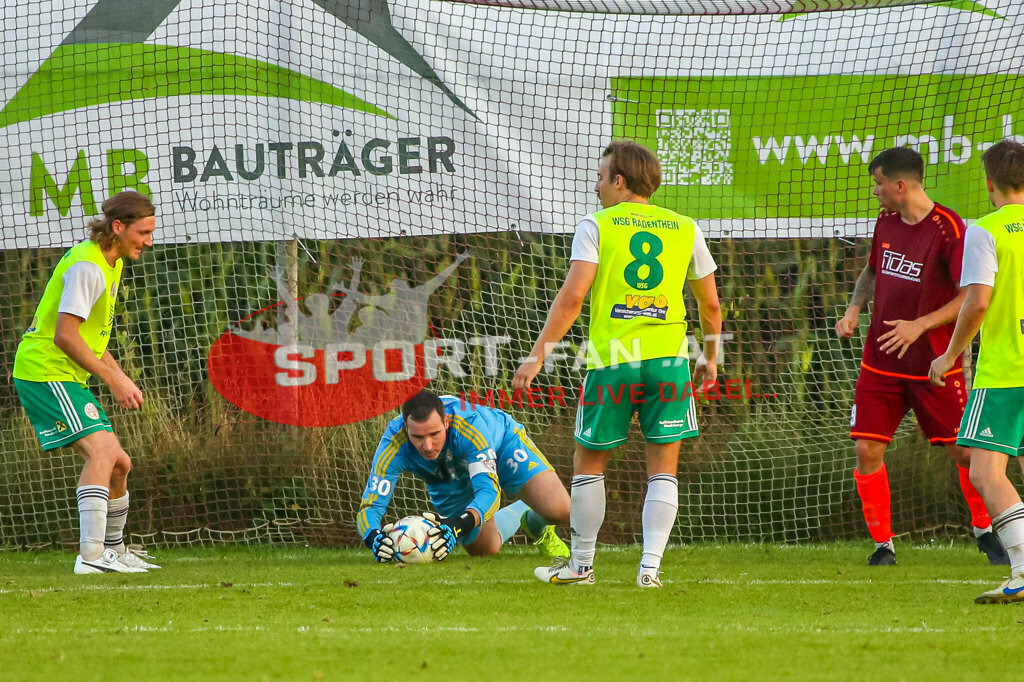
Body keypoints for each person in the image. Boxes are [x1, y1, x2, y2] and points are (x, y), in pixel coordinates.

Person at [512, 140, 722, 587]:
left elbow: (572, 299)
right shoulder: (685, 227)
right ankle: (650, 570)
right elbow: (711, 306)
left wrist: (536, 357)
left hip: (613, 363)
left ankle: (581, 567)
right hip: (668, 362)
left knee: (589, 465)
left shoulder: (598, 225)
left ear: (619, 181)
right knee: (663, 468)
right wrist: (710, 356)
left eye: (601, 176)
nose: (596, 185)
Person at [836, 147, 1008, 567]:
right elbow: (873, 270)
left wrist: (920, 325)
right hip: (880, 361)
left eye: (878, 184)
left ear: (900, 185)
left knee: (965, 453)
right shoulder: (885, 222)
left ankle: (985, 530)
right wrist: (855, 308)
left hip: (934, 362)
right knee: (866, 450)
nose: (875, 192)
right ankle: (883, 546)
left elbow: (968, 297)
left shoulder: (950, 229)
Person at [12, 191, 160, 574]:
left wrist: (119, 374)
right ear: (118, 227)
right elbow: (65, 336)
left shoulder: (111, 263)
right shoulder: (88, 267)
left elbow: (91, 338)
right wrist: (113, 379)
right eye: (142, 232)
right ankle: (91, 557)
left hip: (65, 374)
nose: (148, 240)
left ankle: (114, 550)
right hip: (44, 372)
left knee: (119, 464)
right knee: (103, 456)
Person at [929, 139, 1024, 603]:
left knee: (985, 472)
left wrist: (949, 354)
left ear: (990, 185)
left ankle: (1023, 571)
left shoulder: (985, 231)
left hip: (1008, 368)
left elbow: (979, 300)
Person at [356, 390, 571, 562]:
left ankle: (535, 522)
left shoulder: (469, 425)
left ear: (446, 422)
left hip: (502, 444)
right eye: (418, 437)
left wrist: (459, 523)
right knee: (486, 550)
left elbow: (489, 491)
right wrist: (373, 537)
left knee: (561, 509)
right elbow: (370, 507)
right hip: (447, 478)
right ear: (405, 428)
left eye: (434, 434)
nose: (428, 446)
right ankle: (523, 511)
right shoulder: (393, 443)